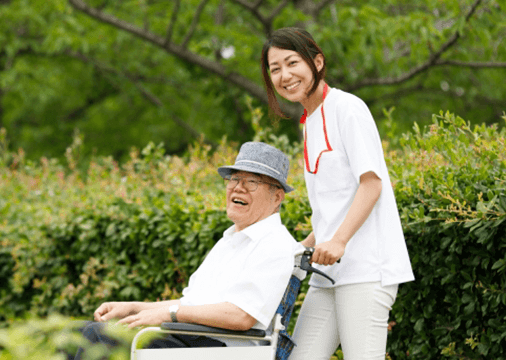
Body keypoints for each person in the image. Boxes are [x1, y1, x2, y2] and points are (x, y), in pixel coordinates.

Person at [260, 27, 415, 359]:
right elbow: (334, 205)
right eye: (275, 69)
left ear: (317, 62)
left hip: (366, 269)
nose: (284, 75)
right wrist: (302, 247)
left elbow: (372, 184)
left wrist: (340, 241)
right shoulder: (309, 121)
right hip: (328, 274)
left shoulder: (348, 108)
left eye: (292, 63)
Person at [67, 141, 299, 359]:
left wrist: (169, 314)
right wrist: (133, 308)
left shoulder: (274, 243)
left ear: (277, 197)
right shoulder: (230, 240)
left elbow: (241, 316)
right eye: (235, 179)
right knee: (74, 333)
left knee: (99, 336)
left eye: (252, 182)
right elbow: (192, 304)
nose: (239, 188)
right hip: (191, 338)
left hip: (222, 350)